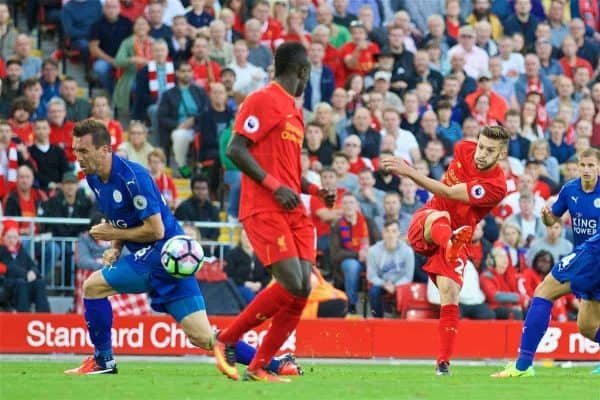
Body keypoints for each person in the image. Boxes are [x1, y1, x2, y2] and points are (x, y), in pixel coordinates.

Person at [64, 119, 301, 376]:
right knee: (203, 336)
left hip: (163, 253)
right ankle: (277, 363)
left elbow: (156, 230)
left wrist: (112, 233)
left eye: (84, 151)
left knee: (93, 287)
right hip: (171, 261)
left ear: (105, 150)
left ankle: (103, 361)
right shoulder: (94, 178)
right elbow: (120, 214)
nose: (78, 157)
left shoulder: (134, 178)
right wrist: (117, 246)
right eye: (76, 150)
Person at [213, 42, 335, 383]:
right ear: (302, 72)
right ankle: (226, 339)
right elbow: (235, 149)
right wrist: (273, 185)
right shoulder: (262, 99)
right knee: (293, 282)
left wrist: (313, 190)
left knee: (303, 289)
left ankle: (259, 365)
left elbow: (290, 174)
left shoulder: (294, 112)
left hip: (293, 208)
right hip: (265, 206)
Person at [382, 126, 509, 375]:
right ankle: (448, 241)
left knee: (450, 294)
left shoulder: (496, 186)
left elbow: (449, 191)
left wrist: (409, 172)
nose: (481, 153)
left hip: (458, 236)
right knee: (440, 214)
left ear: (502, 154)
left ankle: (443, 363)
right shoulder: (463, 148)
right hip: (427, 224)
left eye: (490, 150)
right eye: (481, 146)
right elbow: (444, 198)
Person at [492, 148, 600, 377]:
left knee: (543, 291)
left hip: (593, 252)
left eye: (592, 165)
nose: (587, 170)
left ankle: (523, 365)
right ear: (578, 167)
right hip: (587, 256)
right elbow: (553, 218)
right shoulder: (570, 190)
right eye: (584, 165)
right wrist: (546, 216)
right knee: (587, 326)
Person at [367, 220, 415, 318]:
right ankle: (378, 320)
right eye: (387, 231)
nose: (390, 235)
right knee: (374, 291)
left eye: (394, 231)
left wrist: (395, 286)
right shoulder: (373, 251)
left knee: (409, 289)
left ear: (398, 233)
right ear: (383, 233)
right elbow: (371, 276)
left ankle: (404, 321)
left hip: (401, 283)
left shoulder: (408, 251)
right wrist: (384, 284)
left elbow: (408, 277)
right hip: (383, 284)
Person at [0, 220, 50, 312]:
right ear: (3, 237)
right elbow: (10, 269)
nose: (12, 240)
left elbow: (32, 265)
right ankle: (23, 316)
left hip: (23, 282)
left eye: (15, 237)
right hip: (8, 285)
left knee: (39, 283)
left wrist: (33, 272)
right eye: (9, 237)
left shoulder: (21, 250)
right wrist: (26, 274)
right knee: (21, 283)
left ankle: (45, 317)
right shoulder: (2, 250)